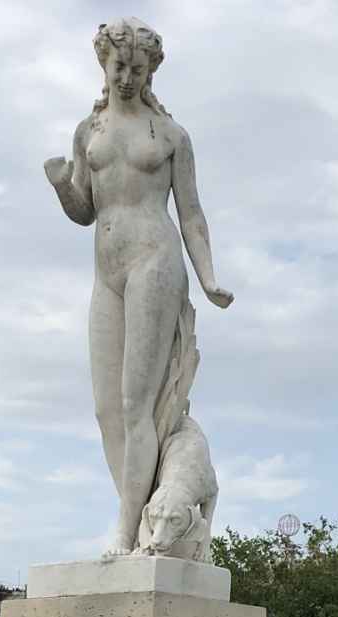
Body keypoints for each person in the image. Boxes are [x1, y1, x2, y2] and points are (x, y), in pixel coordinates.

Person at [45, 17, 233, 556]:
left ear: (152, 71)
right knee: (107, 410)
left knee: (137, 403)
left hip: (156, 258)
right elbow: (85, 210)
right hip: (106, 270)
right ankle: (149, 513)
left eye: (137, 67)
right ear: (103, 65)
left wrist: (209, 278)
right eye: (118, 65)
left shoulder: (171, 136)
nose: (126, 76)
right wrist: (63, 187)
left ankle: (127, 534)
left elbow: (192, 213)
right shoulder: (89, 132)